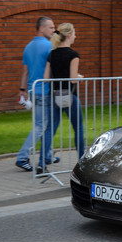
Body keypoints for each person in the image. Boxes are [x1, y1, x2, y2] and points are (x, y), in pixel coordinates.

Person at [15, 17, 60, 171]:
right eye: (51, 27)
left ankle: (47, 156)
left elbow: (25, 71)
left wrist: (22, 90)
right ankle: (22, 157)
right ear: (42, 29)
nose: (54, 30)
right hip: (45, 92)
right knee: (41, 126)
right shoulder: (49, 46)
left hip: (33, 91)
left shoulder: (28, 47)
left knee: (44, 125)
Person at [45, 23, 85, 159]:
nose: (75, 36)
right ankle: (81, 162)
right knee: (78, 128)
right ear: (69, 36)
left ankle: (41, 164)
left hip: (54, 95)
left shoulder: (52, 54)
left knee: (50, 129)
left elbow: (46, 78)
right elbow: (73, 79)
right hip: (70, 96)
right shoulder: (73, 54)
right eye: (74, 33)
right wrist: (79, 76)